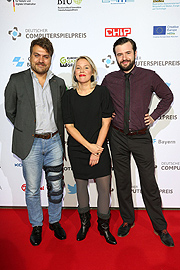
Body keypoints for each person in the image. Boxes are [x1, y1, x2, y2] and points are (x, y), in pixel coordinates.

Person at [102, 37, 174, 247]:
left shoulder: (149, 76)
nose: (123, 57)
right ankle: (127, 220)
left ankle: (160, 227)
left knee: (149, 184)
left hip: (141, 137)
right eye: (119, 54)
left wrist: (154, 116)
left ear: (135, 53)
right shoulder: (109, 79)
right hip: (117, 137)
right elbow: (101, 103)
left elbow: (167, 96)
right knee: (122, 182)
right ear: (115, 56)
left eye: (127, 53)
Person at [5, 37, 66, 246]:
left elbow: (62, 113)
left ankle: (55, 221)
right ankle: (37, 225)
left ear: (50, 59)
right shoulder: (16, 80)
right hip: (30, 144)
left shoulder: (59, 83)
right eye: (37, 55)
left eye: (45, 57)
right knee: (32, 189)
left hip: (55, 142)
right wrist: (26, 130)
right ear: (30, 56)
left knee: (56, 187)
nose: (41, 60)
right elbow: (10, 111)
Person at [62, 56, 117, 245]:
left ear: (93, 71)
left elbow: (106, 122)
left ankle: (104, 226)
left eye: (86, 67)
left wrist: (96, 151)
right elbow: (69, 126)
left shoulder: (102, 92)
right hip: (78, 149)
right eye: (78, 68)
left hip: (100, 147)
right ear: (75, 73)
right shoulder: (68, 95)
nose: (82, 71)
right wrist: (89, 147)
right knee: (81, 187)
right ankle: (84, 223)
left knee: (104, 188)